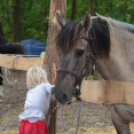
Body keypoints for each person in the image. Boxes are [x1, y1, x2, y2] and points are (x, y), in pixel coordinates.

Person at [19, 67, 55, 134]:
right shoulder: (44, 86)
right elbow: (53, 90)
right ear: (43, 77)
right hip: (35, 124)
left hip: (24, 124)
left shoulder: (30, 91)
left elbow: (49, 98)